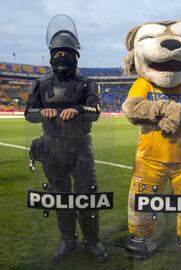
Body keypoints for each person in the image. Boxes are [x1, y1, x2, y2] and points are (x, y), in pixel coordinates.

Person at [25, 14, 108, 262]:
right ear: (51, 55)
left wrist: (80, 110)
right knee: (60, 196)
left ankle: (92, 239)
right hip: (52, 149)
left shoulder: (87, 84)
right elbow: (28, 114)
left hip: (81, 148)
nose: (63, 57)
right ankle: (67, 239)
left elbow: (97, 112)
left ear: (76, 56)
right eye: (58, 53)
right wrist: (43, 112)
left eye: (67, 53)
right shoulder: (39, 84)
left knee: (88, 195)